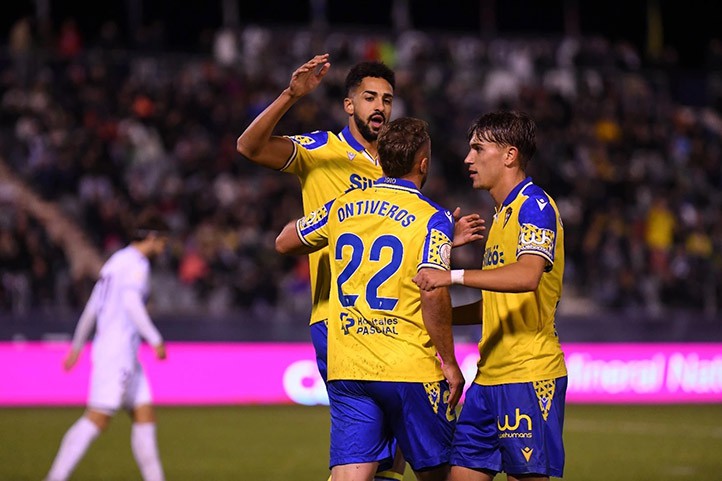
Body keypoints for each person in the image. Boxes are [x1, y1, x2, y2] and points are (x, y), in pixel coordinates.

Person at [237, 54, 482, 481]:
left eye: (388, 99)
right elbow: (249, 147)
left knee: (384, 461)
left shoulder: (393, 163)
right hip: (337, 319)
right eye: (370, 97)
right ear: (349, 105)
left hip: (395, 319)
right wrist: (291, 95)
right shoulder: (321, 150)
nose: (380, 107)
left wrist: (442, 235)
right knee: (385, 458)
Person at [276, 117, 465, 481]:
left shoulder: (342, 206)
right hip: (407, 366)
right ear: (423, 164)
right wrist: (450, 361)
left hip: (348, 365)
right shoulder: (433, 218)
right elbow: (433, 290)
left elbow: (284, 242)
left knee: (350, 476)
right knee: (441, 474)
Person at [413, 110, 567, 481]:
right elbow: (499, 302)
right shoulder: (501, 215)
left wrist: (451, 276)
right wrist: (440, 317)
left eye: (478, 149)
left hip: (527, 376)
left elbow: (528, 276)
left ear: (509, 155)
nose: (468, 159)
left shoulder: (535, 206)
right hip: (487, 380)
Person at [44, 210, 171, 481]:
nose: (163, 249)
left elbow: (92, 307)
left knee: (145, 415)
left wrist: (77, 347)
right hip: (118, 353)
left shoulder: (115, 261)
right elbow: (131, 304)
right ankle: (55, 477)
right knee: (97, 418)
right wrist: (156, 339)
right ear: (151, 237)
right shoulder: (137, 265)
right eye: (162, 242)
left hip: (121, 353)